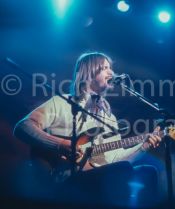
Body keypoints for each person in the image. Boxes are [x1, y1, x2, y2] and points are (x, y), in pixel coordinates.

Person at [13, 52, 162, 207]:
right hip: (64, 175)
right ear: (88, 72)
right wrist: (60, 144)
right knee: (121, 171)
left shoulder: (109, 118)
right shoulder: (62, 103)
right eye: (104, 68)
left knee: (148, 170)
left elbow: (117, 159)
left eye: (110, 68)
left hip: (97, 177)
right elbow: (23, 126)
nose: (111, 72)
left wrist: (144, 146)